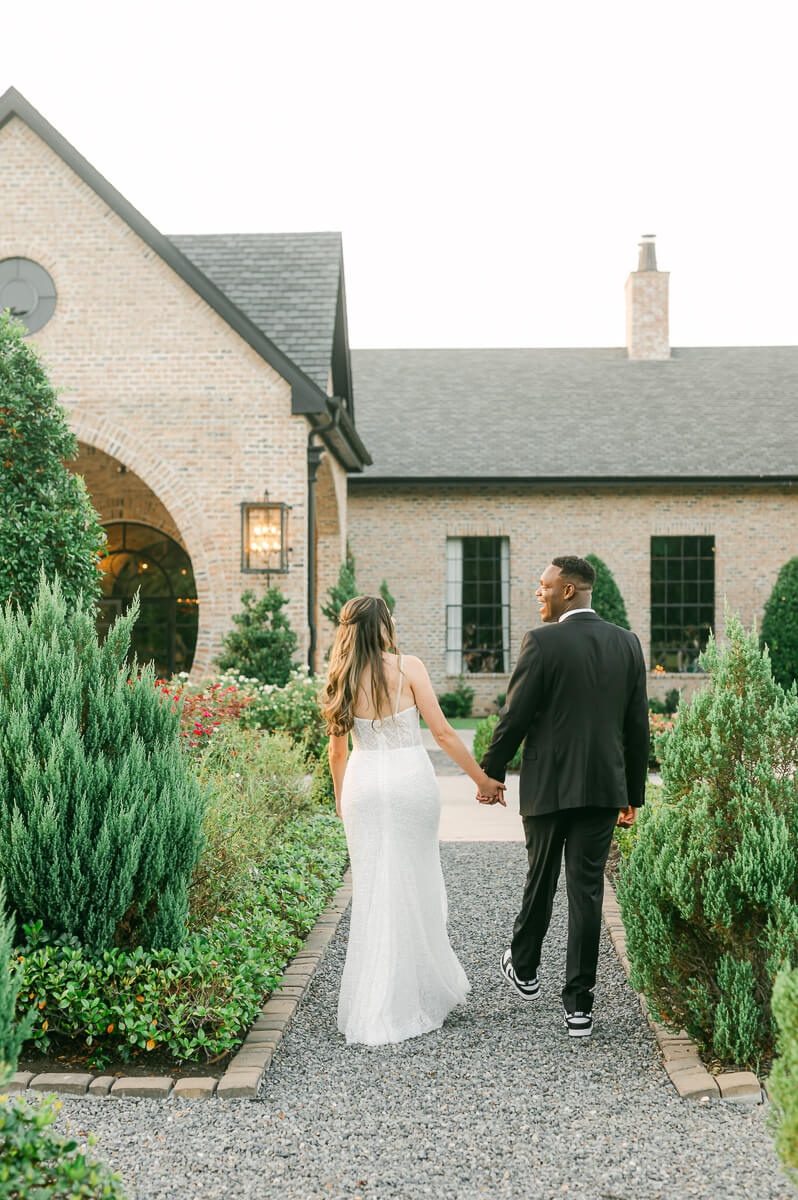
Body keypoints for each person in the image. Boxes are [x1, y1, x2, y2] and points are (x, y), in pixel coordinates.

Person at [321, 594, 506, 1045]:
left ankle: (377, 998)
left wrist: (343, 799)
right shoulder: (410, 667)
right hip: (409, 782)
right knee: (415, 879)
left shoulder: (340, 675)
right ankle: (415, 994)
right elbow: (441, 733)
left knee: (372, 889)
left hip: (363, 784)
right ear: (383, 626)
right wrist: (483, 780)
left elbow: (337, 751)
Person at [479, 556, 649, 1038]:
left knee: (541, 876)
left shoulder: (542, 641)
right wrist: (631, 792)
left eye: (544, 586)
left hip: (550, 787)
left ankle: (526, 966)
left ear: (569, 590)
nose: (539, 593)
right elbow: (637, 727)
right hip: (602, 789)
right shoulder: (627, 643)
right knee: (587, 892)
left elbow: (515, 716)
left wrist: (490, 773)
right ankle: (579, 1007)